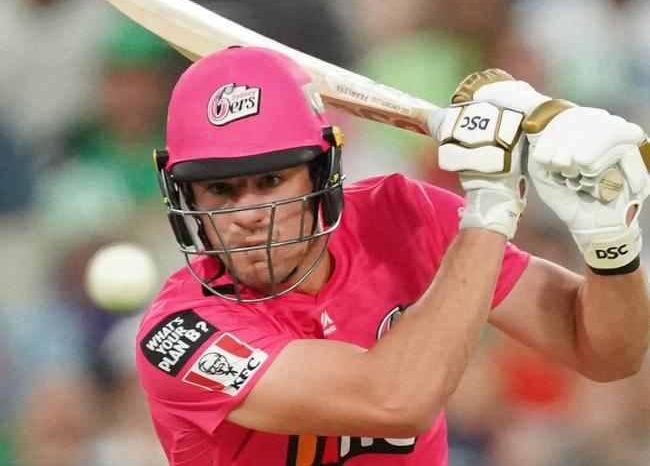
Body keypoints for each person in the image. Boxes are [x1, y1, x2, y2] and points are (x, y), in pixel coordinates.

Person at [135, 46, 650, 465]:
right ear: (187, 198)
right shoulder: (179, 335)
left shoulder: (402, 215)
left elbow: (606, 354)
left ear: (321, 172)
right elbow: (394, 400)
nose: (246, 213)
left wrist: (608, 245)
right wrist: (492, 204)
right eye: (219, 190)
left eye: (271, 181)